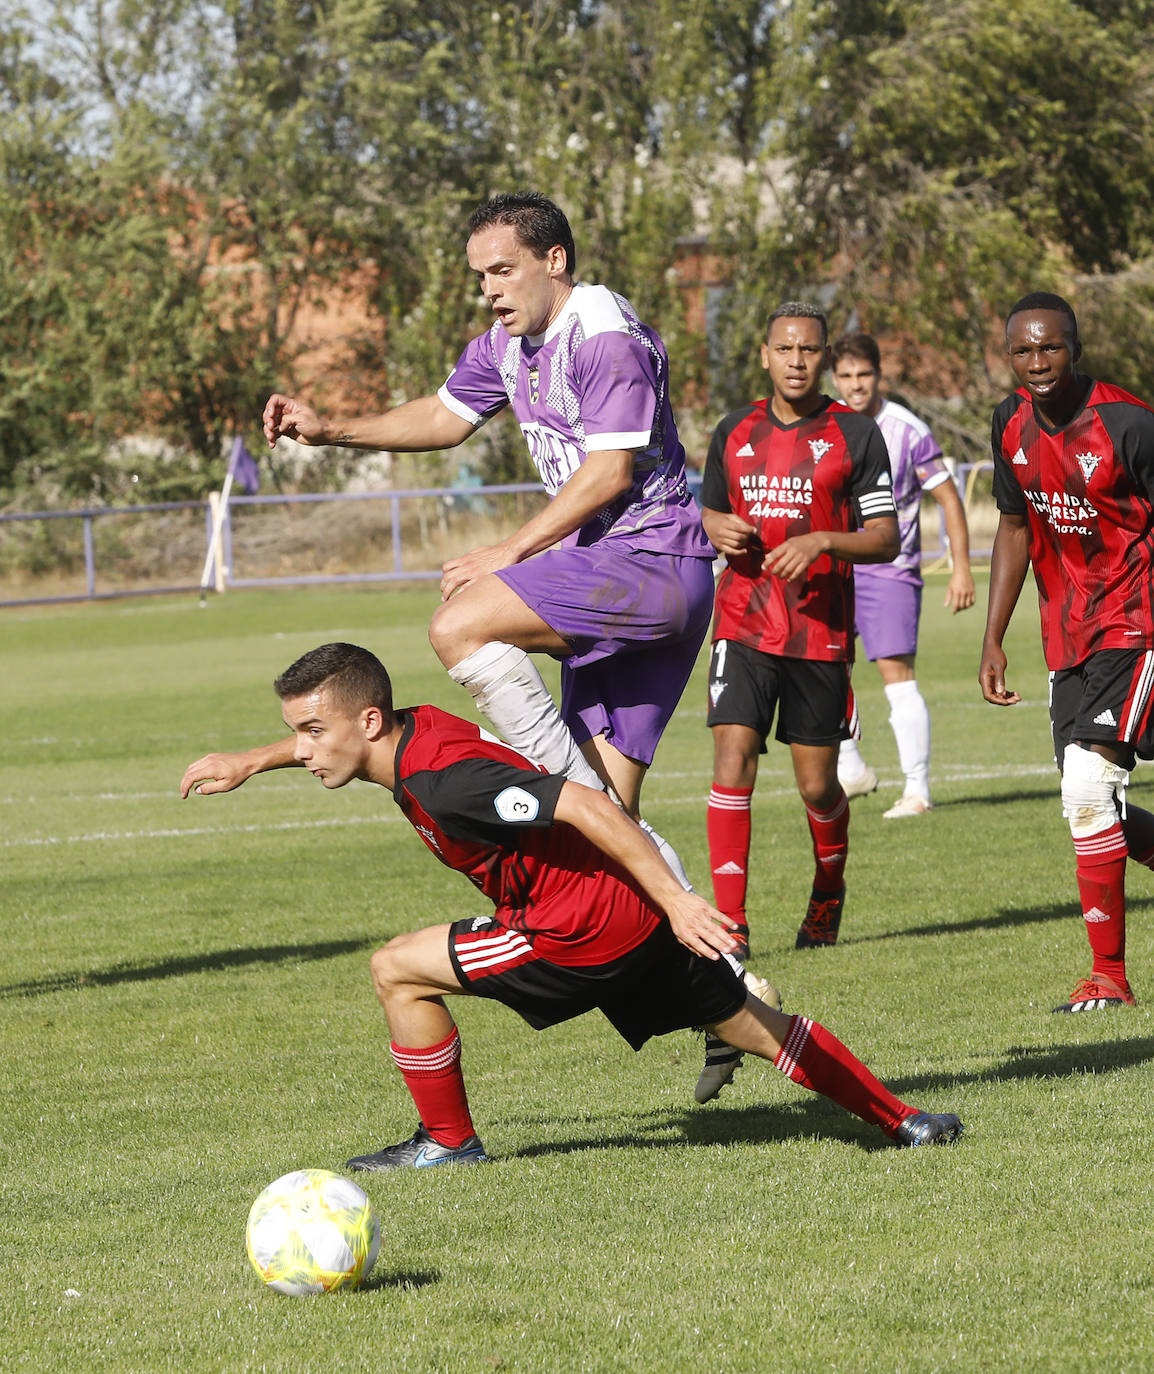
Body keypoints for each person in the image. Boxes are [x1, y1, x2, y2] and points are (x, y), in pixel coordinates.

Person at [179, 641, 963, 1165]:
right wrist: (254, 758)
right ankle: (908, 1122)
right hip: (627, 915)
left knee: (396, 970)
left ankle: (448, 1143)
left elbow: (589, 809)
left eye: (312, 732)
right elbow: (334, 731)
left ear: (369, 721)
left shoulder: (441, 782)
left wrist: (683, 900)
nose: (305, 748)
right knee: (757, 1029)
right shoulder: (410, 728)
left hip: (576, 928)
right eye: (297, 735)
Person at [261, 193, 714, 898]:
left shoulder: (602, 333)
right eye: (480, 276)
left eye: (503, 270)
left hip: (652, 563)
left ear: (554, 260)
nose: (489, 290)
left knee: (459, 623)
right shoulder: (508, 344)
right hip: (610, 575)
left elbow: (608, 472)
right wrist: (332, 431)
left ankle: (550, 786)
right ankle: (726, 979)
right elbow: (444, 415)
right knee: (606, 829)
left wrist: (507, 553)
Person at [700, 302, 899, 969]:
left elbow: (885, 536)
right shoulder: (733, 431)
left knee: (817, 787)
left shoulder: (856, 435)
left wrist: (820, 540)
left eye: (808, 350)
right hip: (743, 619)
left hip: (819, 630)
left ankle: (828, 888)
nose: (796, 361)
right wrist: (710, 525)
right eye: (784, 349)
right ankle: (730, 925)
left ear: (824, 358)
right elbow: (708, 510)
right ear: (764, 355)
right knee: (733, 760)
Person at [979, 291, 1154, 1013]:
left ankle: (1109, 978)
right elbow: (1016, 528)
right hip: (1069, 635)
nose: (1037, 362)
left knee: (1088, 789)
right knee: (1087, 800)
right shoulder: (1010, 421)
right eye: (1023, 350)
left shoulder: (1130, 424)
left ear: (1074, 348)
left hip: (1137, 623)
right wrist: (993, 636)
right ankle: (1108, 976)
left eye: (1050, 348)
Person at [830, 333, 976, 817]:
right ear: (835, 378)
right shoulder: (826, 424)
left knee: (897, 677)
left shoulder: (907, 430)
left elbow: (950, 498)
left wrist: (960, 570)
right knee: (824, 669)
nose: (855, 386)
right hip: (833, 566)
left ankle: (918, 790)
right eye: (846, 376)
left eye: (863, 375)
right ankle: (850, 768)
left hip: (889, 570)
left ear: (878, 375)